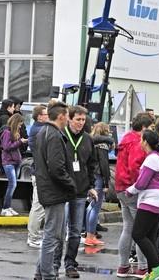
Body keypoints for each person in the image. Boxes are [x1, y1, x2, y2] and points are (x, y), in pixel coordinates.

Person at [32, 102, 85, 280]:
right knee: (52, 236)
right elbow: (56, 168)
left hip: (50, 190)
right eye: (69, 116)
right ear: (62, 116)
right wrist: (71, 185)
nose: (69, 119)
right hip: (54, 192)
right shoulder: (53, 135)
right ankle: (47, 274)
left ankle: (40, 273)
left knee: (53, 234)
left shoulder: (44, 132)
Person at [61, 106, 101, 278]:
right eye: (78, 119)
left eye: (83, 120)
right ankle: (53, 264)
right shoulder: (61, 136)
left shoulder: (87, 139)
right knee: (59, 231)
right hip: (61, 191)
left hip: (80, 191)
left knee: (76, 231)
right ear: (69, 119)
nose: (81, 123)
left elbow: (91, 165)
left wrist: (91, 185)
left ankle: (70, 263)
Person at [115, 113, 155, 278]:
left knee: (128, 228)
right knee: (141, 231)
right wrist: (141, 185)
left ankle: (123, 266)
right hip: (132, 189)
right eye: (151, 128)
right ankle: (142, 267)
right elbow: (135, 168)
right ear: (144, 128)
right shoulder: (138, 142)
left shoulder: (126, 138)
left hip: (120, 187)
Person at [126, 130, 159, 276]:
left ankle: (157, 269)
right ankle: (154, 272)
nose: (140, 142)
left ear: (145, 142)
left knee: (138, 234)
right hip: (158, 201)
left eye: (141, 139)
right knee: (149, 238)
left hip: (150, 201)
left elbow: (142, 183)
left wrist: (130, 190)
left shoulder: (152, 159)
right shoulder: (158, 157)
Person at [85, 122, 114, 246]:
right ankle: (91, 235)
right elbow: (104, 165)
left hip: (92, 175)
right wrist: (107, 183)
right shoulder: (102, 146)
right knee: (95, 207)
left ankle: (88, 234)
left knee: (90, 206)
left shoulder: (91, 142)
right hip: (99, 176)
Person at [25, 105, 48, 248]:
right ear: (39, 116)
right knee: (38, 207)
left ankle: (34, 235)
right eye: (46, 114)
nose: (48, 116)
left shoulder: (39, 129)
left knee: (39, 207)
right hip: (40, 174)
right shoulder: (39, 130)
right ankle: (32, 237)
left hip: (39, 173)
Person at [0, 113, 26, 216]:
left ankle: (8, 207)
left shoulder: (15, 132)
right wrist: (20, 142)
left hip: (15, 162)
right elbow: (6, 147)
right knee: (12, 184)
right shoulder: (7, 132)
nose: (20, 126)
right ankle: (5, 208)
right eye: (20, 124)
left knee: (13, 185)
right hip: (9, 162)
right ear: (16, 122)